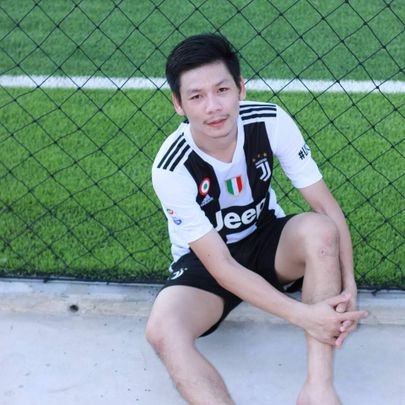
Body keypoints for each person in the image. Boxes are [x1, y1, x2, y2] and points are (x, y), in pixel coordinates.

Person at [145, 33, 367, 405]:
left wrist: (350, 284)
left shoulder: (270, 121)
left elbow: (326, 207)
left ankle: (318, 390)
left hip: (265, 241)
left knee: (320, 231)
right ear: (178, 104)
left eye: (222, 90)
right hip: (205, 263)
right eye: (196, 96)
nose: (213, 107)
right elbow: (221, 267)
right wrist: (304, 315)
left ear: (240, 88)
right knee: (162, 331)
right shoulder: (171, 167)